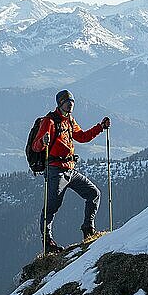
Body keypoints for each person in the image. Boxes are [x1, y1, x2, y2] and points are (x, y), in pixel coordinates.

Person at [32, 89, 111, 253]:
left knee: (94, 193)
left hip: (70, 170)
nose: (71, 105)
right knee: (51, 207)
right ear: (60, 103)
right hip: (56, 171)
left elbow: (82, 136)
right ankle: (48, 243)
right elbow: (36, 146)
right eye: (68, 102)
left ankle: (88, 228)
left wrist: (100, 127)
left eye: (72, 102)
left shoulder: (69, 120)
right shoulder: (50, 121)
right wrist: (42, 141)